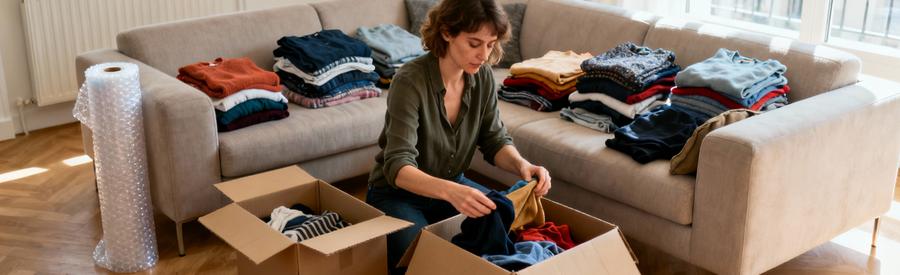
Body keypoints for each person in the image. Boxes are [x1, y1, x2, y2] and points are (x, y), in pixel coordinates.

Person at [366, 0, 551, 274]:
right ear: (446, 32)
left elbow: (494, 139)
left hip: (452, 185)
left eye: (490, 45)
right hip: (397, 195)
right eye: (474, 44)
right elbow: (398, 166)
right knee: (423, 260)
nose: (484, 55)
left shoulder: (483, 77)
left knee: (501, 222)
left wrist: (522, 165)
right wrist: (453, 192)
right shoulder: (410, 80)